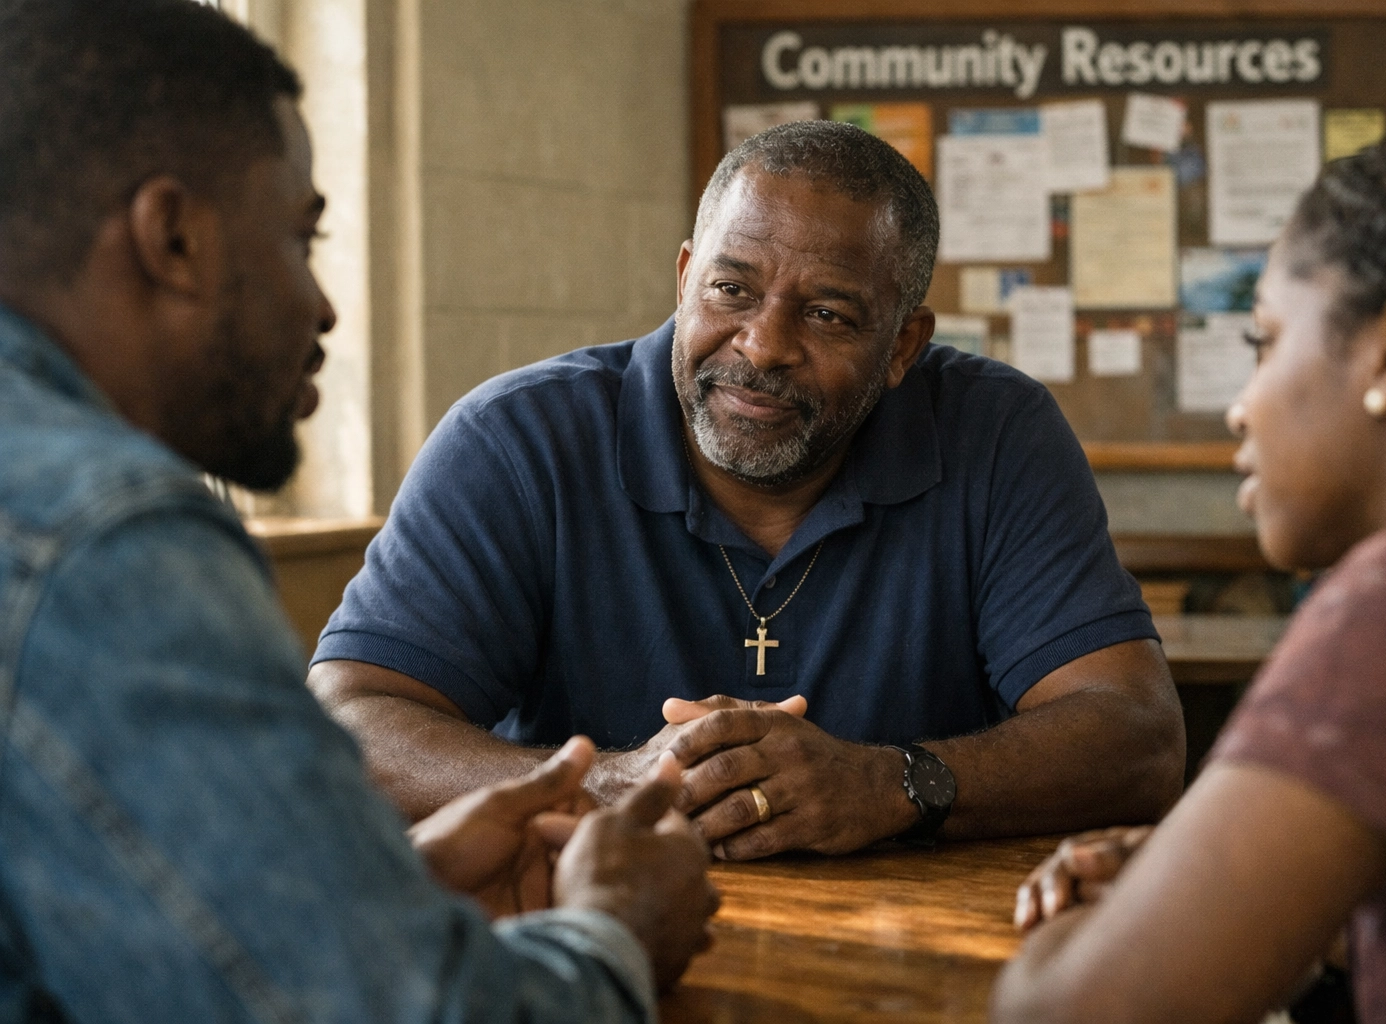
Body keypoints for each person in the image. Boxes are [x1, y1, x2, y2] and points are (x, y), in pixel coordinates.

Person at [0, 1, 717, 1020]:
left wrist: (369, 892)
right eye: (301, 238)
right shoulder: (104, 539)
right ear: (174, 237)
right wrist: (614, 930)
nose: (324, 306)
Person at [307, 121, 1186, 860]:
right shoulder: (517, 441)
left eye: (828, 313)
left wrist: (891, 783)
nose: (763, 346)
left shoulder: (994, 434)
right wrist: (606, 785)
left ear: (902, 346)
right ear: (684, 278)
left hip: (905, 953)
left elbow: (1139, 737)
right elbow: (345, 721)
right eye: (731, 289)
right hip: (584, 936)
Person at [992, 106, 1386, 1023]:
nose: (1240, 407)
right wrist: (1290, 910)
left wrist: (1114, 923)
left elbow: (1068, 1013)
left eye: (1265, 341)